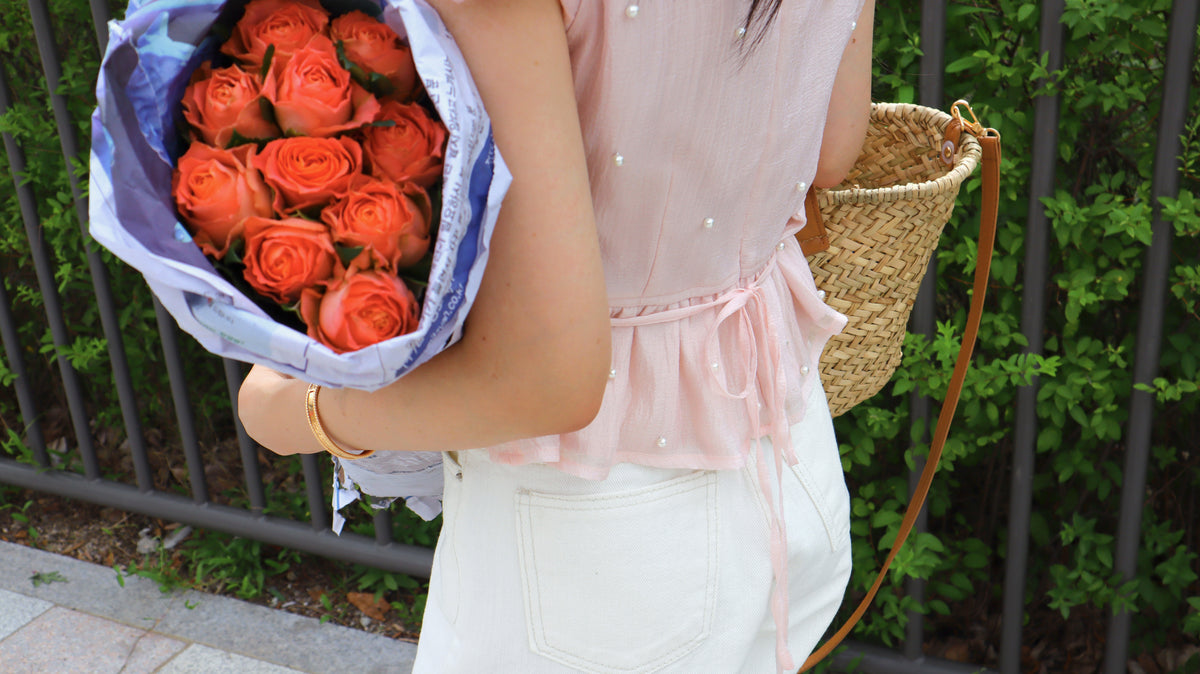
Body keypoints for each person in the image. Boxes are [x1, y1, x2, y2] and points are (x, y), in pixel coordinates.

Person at [239, 0, 874, 671]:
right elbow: (832, 150)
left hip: (593, 540)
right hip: (787, 457)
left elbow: (551, 381)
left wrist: (297, 408)